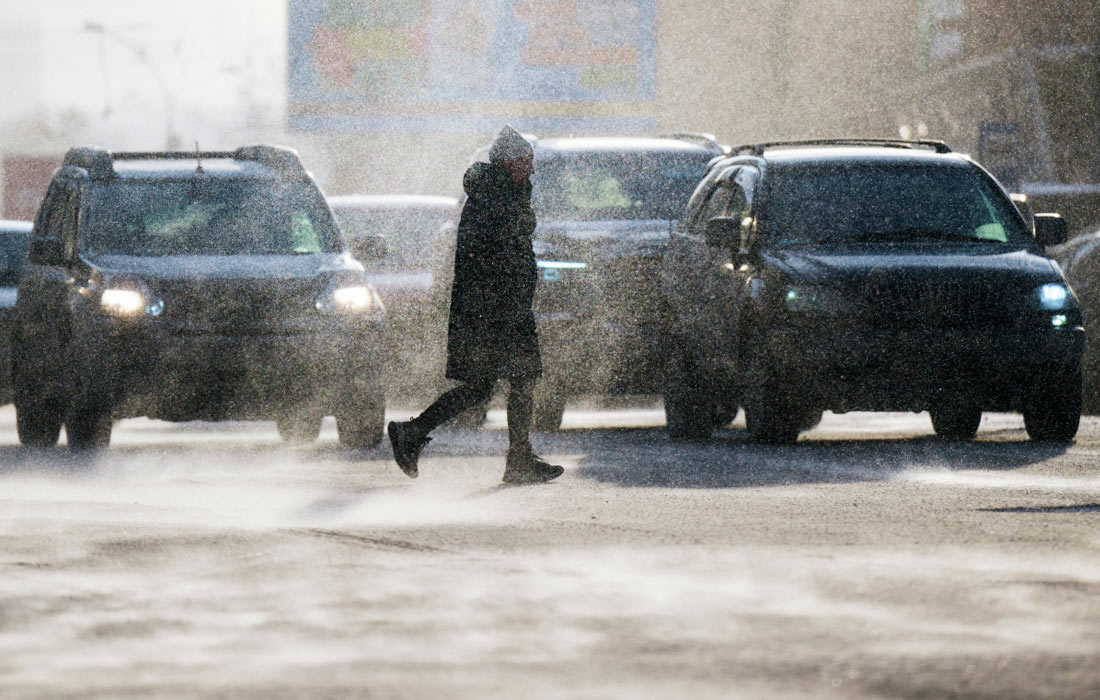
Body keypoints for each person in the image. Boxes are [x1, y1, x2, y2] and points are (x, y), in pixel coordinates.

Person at [388, 126, 564, 485]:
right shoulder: (496, 198)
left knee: (498, 384)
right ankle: (514, 459)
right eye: (526, 163)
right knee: (509, 381)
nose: (531, 171)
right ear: (509, 163)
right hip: (495, 312)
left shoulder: (501, 193)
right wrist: (506, 303)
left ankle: (420, 433)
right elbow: (494, 258)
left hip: (498, 309)